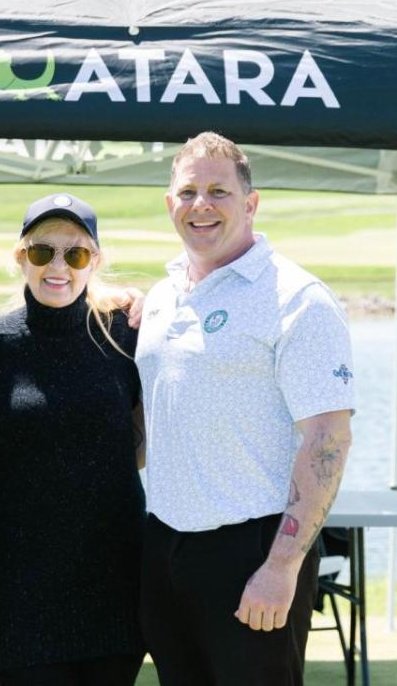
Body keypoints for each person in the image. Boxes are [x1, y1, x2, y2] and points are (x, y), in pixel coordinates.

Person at [135, 132, 355, 686]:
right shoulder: (162, 297)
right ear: (169, 204)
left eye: (219, 191)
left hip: (253, 550)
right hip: (164, 545)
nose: (200, 205)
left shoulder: (298, 299)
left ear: (251, 203)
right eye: (187, 192)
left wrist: (282, 568)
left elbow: (328, 438)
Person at [0, 193, 146, 686]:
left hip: (115, 586)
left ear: (95, 261)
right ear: (21, 257)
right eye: (42, 251)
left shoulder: (127, 334)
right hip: (22, 593)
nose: (58, 266)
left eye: (76, 253)